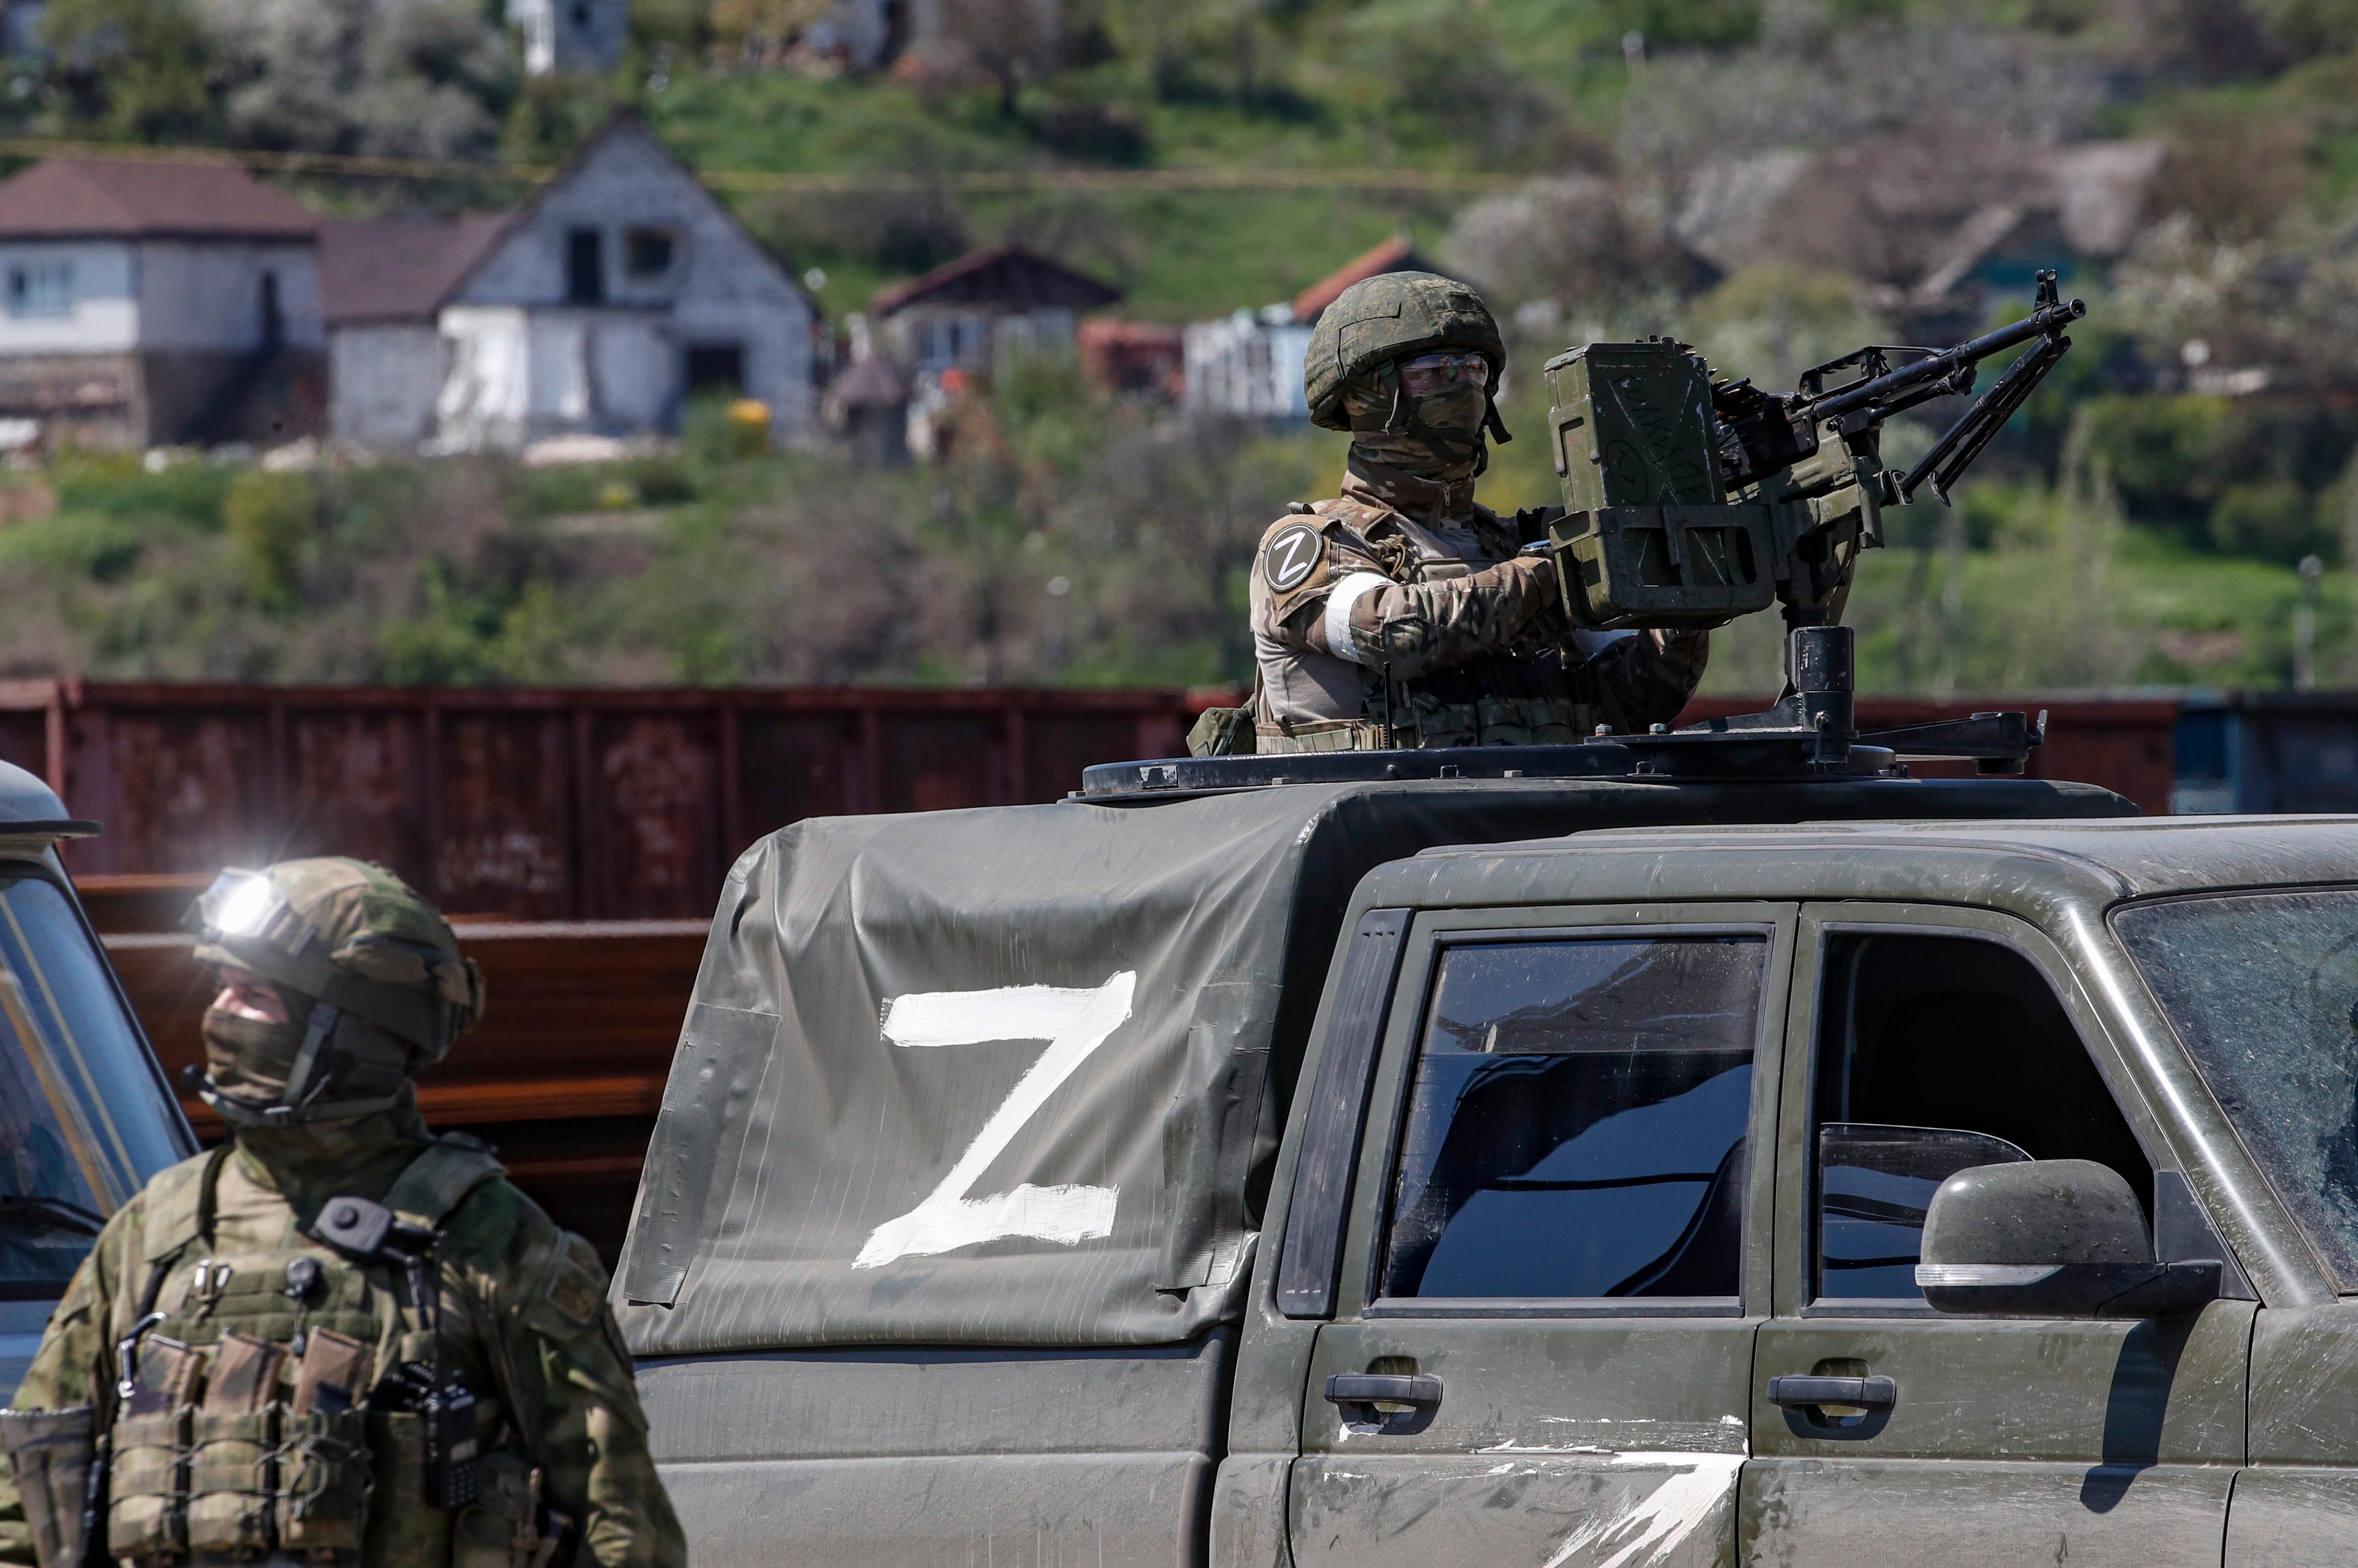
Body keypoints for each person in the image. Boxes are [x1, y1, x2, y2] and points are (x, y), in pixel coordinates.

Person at [0, 858, 685, 1568]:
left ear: (353, 1034)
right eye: (222, 989)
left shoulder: (487, 1240)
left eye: (253, 994)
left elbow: (624, 1529)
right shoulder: (152, 1235)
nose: (219, 1015)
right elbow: (26, 1510)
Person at [1224, 271, 1709, 754]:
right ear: (1366, 397)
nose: (1460, 388)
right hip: (1378, 824)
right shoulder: (1311, 545)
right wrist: (1546, 574)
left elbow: (1631, 703)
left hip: (1546, 819)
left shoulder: (1510, 543)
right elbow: (1398, 633)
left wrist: (1677, 606)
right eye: (1432, 373)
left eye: (1472, 370)